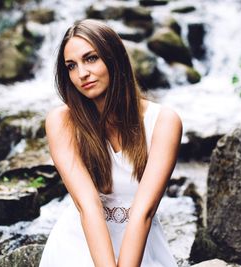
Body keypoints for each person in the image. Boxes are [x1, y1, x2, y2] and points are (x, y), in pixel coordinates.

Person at [39, 19, 182, 267]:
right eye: (71, 66)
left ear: (114, 58)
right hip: (80, 244)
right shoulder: (62, 121)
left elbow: (143, 212)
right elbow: (88, 206)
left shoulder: (164, 122)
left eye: (91, 58)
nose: (81, 74)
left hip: (140, 245)